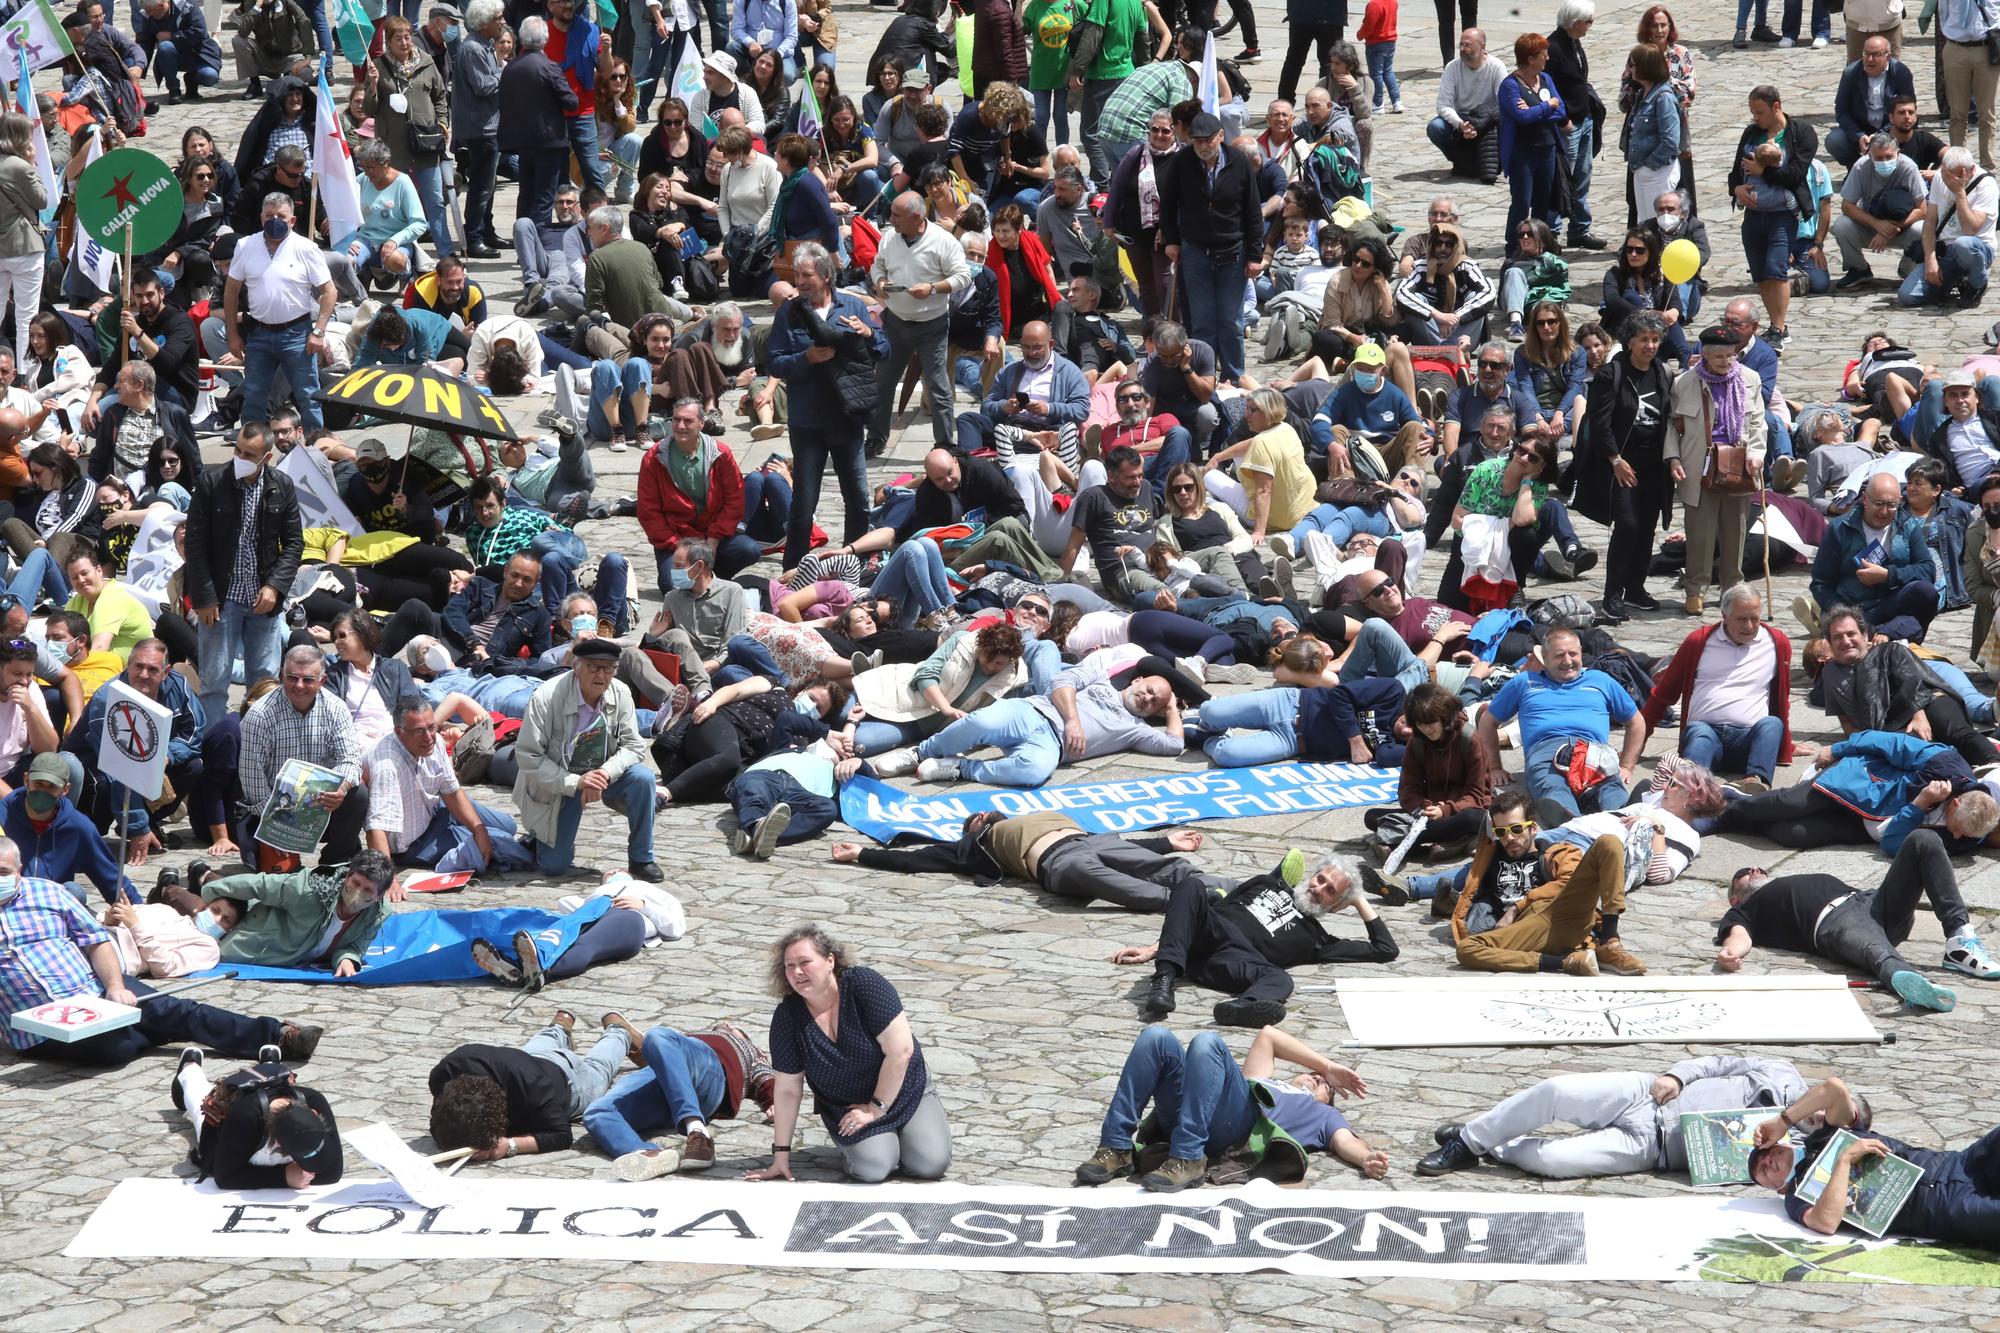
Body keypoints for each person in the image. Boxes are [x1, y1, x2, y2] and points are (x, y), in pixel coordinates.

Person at [0, 835, 322, 1067]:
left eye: (4, 872)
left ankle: (277, 1035)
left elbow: (95, 941)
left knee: (178, 1010)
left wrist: (114, 986)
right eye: (217, 910)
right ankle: (156, 1028)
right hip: (38, 1025)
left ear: (20, 869)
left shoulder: (47, 893)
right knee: (117, 1048)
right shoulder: (165, 912)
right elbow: (103, 928)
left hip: (94, 985)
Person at [746, 925, 951, 1184]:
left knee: (929, 1165)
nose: (797, 972)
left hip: (904, 1088)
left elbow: (901, 1051)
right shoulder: (788, 1018)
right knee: (874, 1168)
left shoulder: (864, 984)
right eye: (789, 966)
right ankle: (873, 1146)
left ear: (830, 961)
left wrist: (875, 1109)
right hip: (849, 1106)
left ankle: (903, 1136)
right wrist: (781, 1156)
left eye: (804, 962)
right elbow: (787, 1089)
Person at [1078, 1023, 1385, 1193]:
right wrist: (1326, 1066)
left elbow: (1346, 1142)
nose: (1319, 1080)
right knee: (1155, 1037)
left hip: (1239, 1130)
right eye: (1315, 1076)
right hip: (1191, 1114)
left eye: (1326, 1087)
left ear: (1326, 1101)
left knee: (1207, 1042)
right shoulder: (1262, 1078)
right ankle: (1116, 1147)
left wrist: (1368, 1158)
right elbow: (1268, 1034)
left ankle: (1187, 1158)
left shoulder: (1322, 1114)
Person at [1721, 829, 1999, 1015]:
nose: (1755, 869)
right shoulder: (1745, 910)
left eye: (1759, 868)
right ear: (1735, 897)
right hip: (1834, 922)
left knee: (1922, 839)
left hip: (1871, 902)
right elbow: (1739, 934)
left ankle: (1959, 939)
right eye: (1744, 873)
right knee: (1874, 951)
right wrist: (1730, 952)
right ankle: (1912, 983)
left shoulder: (1785, 883)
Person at [1116, 853, 1397, 1028]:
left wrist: (1359, 900)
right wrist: (1154, 949)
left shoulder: (1319, 940)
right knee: (1191, 886)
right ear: (1312, 875)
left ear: (1336, 905)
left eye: (1329, 890)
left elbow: (1385, 949)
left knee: (1282, 980)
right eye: (1319, 879)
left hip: (1233, 961)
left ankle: (1241, 1008)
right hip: (1210, 932)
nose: (1318, 888)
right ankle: (1164, 981)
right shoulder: (1266, 882)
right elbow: (1197, 912)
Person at [1417, 1055, 1811, 1180]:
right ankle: (1468, 1143)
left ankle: (1492, 1141)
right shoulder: (1782, 1072)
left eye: (1833, 1119)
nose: (1821, 1115)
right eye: (1823, 1105)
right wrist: (1677, 1075)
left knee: (1551, 1162)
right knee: (1557, 1090)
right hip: (1648, 1095)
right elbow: (1719, 1061)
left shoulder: (1800, 1150)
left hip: (1651, 1148)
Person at [872, 652, 1183, 786]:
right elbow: (1060, 684)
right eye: (1150, 690)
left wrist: (1171, 709)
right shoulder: (1099, 678)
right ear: (1137, 680)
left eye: (1155, 702)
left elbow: (1173, 745)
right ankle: (918, 752)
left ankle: (960, 768)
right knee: (981, 723)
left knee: (1034, 772)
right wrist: (1072, 720)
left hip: (1051, 745)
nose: (1148, 698)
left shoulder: (1135, 729)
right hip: (1032, 711)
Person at [1747, 1079, 2000, 1244]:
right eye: (1762, 1170)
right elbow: (1825, 1222)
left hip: (1959, 1164)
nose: (1767, 1161)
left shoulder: (1825, 1137)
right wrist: (1845, 1161)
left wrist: (1781, 1122)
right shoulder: (1796, 1196)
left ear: (1784, 1143)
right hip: (1942, 1208)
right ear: (1778, 1188)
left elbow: (1835, 1089)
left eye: (1766, 1153)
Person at [832, 809, 1210, 912]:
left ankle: (1227, 890)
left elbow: (1125, 846)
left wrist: (1164, 841)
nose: (985, 814)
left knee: (1170, 868)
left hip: (1089, 840)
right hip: (1056, 863)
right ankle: (1173, 902)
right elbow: (916, 860)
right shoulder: (977, 842)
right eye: (977, 816)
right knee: (1085, 871)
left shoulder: (1035, 815)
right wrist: (863, 853)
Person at [769, 242, 886, 571]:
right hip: (807, 422)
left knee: (858, 501)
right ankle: (792, 569)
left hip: (847, 417)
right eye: (796, 275)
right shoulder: (790, 313)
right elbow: (776, 364)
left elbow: (883, 349)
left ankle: (856, 563)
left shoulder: (852, 306)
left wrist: (868, 334)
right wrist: (805, 358)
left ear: (825, 276)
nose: (800, 281)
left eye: (805, 275)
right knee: (804, 504)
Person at [512, 637, 663, 881]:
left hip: (603, 773)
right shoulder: (546, 697)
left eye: (609, 668)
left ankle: (641, 859)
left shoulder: (621, 692)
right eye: (593, 666)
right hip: (560, 780)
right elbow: (529, 757)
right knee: (554, 867)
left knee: (644, 778)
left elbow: (634, 746)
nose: (601, 675)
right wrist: (577, 782)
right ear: (576, 666)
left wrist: (604, 773)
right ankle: (542, 839)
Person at [1711, 727, 2000, 852]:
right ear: (1955, 804)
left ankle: (1741, 808)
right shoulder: (1944, 764)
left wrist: (1918, 806)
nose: (1958, 836)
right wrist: (1837, 748)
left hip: (1864, 828)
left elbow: (1893, 845)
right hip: (1861, 784)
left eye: (1968, 836)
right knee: (1788, 804)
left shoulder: (1971, 833)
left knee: (1789, 834)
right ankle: (1721, 813)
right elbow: (1887, 742)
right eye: (1960, 829)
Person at [184, 425, 304, 725]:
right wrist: (205, 596)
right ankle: (213, 744)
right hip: (221, 600)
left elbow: (294, 544)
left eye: (249, 454)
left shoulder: (281, 486)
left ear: (266, 457)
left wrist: (275, 586)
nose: (240, 457)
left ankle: (259, 740)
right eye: (238, 450)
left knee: (263, 680)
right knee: (213, 680)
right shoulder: (212, 481)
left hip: (262, 600)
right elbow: (195, 544)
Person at [1478, 625, 1645, 819]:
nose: (1567, 661)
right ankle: (1570, 823)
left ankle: (1626, 816)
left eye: (1572, 654)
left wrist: (1627, 766)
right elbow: (1487, 721)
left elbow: (1636, 722)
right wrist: (1495, 767)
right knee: (1553, 789)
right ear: (1545, 658)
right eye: (1559, 656)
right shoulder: (1524, 682)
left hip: (1592, 751)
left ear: (1581, 653)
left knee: (1610, 788)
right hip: (1545, 753)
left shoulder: (1600, 680)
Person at [1571, 311, 1675, 618]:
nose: (1650, 345)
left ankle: (1636, 589)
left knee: (1647, 529)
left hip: (1653, 466)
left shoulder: (1663, 373)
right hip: (1620, 464)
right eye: (1644, 339)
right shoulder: (1611, 374)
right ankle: (1612, 593)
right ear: (1630, 342)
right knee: (1627, 526)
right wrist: (1615, 459)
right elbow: (1601, 424)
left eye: (1655, 339)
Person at [1642, 585, 1795, 790]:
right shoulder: (1699, 641)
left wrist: (1787, 744)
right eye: (1741, 619)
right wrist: (1638, 741)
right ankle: (1693, 786)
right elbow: (1663, 694)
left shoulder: (1777, 643)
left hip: (1748, 739)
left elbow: (1782, 700)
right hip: (1706, 735)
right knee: (1698, 731)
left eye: (1755, 618)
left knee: (1772, 725)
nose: (1749, 626)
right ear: (1724, 615)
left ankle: (1754, 783)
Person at [584, 1019, 777, 1178]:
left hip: (711, 1075)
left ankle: (697, 1130)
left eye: (732, 1027)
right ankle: (645, 1153)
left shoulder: (749, 1049)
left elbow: (765, 1076)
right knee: (597, 1111)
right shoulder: (689, 1038)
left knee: (657, 1035)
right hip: (660, 1079)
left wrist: (772, 1101)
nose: (726, 1024)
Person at [429, 1017, 638, 1161]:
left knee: (599, 1067)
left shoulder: (534, 1090)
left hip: (570, 1079)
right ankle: (560, 1025)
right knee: (534, 1050)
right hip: (526, 1060)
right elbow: (438, 1121)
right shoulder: (443, 1075)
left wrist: (509, 1145)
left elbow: (561, 1136)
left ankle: (619, 1032)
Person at [238, 646, 370, 864]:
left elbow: (350, 760)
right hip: (272, 809)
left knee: (358, 794)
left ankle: (335, 861)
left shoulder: (336, 708)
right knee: (278, 881)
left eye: (308, 679)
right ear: (282, 675)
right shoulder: (259, 715)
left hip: (322, 803)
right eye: (292, 678)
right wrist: (275, 829)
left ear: (323, 679)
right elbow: (252, 782)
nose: (299, 686)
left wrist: (340, 789)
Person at [1669, 327, 1768, 617]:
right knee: (1699, 532)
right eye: (1718, 357)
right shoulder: (1684, 383)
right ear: (1705, 355)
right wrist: (1673, 458)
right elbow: (1673, 426)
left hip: (1738, 462)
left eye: (1730, 355)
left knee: (1734, 530)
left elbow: (1758, 423)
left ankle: (1732, 589)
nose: (1726, 362)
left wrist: (1756, 454)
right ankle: (1695, 589)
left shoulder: (1750, 379)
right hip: (1699, 466)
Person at [1158, 111, 1261, 387]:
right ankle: (1206, 376)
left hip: (1232, 251)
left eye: (1207, 140)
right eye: (1197, 141)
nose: (1203, 146)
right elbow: (1167, 205)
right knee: (1202, 322)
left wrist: (1255, 255)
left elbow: (1252, 211)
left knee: (1231, 321)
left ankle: (1234, 376)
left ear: (1220, 137)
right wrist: (1171, 240)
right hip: (1195, 251)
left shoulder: (1239, 163)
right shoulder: (1181, 163)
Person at [366, 699, 525, 873]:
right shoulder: (387, 765)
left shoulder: (435, 742)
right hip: (417, 842)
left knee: (508, 826)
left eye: (432, 727)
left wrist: (479, 830)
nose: (428, 737)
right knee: (506, 846)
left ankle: (473, 833)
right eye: (419, 731)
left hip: (436, 811)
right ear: (399, 732)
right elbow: (376, 828)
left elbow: (452, 792)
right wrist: (386, 880)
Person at [866, 192, 970, 458]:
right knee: (882, 382)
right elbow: (877, 266)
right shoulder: (890, 236)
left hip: (931, 324)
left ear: (917, 216)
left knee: (938, 387)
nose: (890, 220)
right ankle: (876, 437)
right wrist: (879, 283)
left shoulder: (943, 241)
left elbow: (963, 277)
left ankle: (945, 444)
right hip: (895, 322)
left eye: (897, 215)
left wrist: (933, 288)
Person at [223, 194, 335, 432]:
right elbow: (231, 291)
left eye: (281, 216)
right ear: (261, 217)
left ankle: (317, 447)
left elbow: (329, 291)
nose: (275, 220)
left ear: (292, 220)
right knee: (253, 395)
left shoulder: (306, 248)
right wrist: (233, 334)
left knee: (308, 395)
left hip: (297, 334)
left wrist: (319, 331)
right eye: (269, 216)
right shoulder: (245, 246)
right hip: (259, 335)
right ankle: (251, 452)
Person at [198, 851, 395, 974]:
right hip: (257, 928)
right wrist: (208, 895)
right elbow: (259, 884)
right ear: (347, 877)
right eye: (355, 883)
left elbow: (355, 947)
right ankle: (178, 886)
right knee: (200, 924)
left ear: (379, 896)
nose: (358, 892)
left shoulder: (379, 913)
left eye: (368, 890)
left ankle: (201, 875)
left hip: (289, 945)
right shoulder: (307, 890)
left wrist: (347, 959)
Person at [1728, 87, 1816, 349]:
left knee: (1776, 269)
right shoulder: (1751, 133)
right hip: (1755, 215)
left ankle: (1778, 327)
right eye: (1753, 112)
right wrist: (1737, 189)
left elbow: (1794, 175)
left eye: (1760, 112)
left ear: (1776, 106)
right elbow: (1736, 171)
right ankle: (1776, 322)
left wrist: (1762, 171)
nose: (1755, 118)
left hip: (1782, 215)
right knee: (1761, 273)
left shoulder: (1801, 133)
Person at [1810, 475, 1938, 641]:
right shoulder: (1840, 529)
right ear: (1864, 498)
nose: (1884, 512)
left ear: (1899, 501)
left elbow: (1927, 570)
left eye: (1891, 505)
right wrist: (1842, 614)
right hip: (1853, 608)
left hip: (1891, 603)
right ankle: (1879, 633)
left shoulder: (1908, 526)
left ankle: (1881, 633)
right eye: (1878, 503)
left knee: (1926, 592)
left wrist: (1887, 575)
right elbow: (1821, 583)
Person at [953, 320, 1090, 468]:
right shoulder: (1009, 371)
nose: (1031, 353)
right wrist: (1004, 407)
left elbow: (1082, 410)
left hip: (1048, 434)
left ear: (1050, 344)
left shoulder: (1070, 372)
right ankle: (971, 469)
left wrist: (1049, 409)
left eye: (1037, 348)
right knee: (968, 419)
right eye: (1026, 347)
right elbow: (986, 406)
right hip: (1012, 429)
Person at [498, 18, 579, 229]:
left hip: (522, 141)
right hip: (548, 141)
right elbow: (571, 101)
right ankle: (537, 245)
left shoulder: (511, 67)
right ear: (545, 40)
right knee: (544, 196)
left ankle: (523, 241)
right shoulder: (548, 66)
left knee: (526, 193)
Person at [88, 270, 199, 416]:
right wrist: (92, 401)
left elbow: (167, 363)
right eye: (139, 296)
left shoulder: (180, 322)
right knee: (95, 419)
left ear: (161, 293)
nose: (145, 301)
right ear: (133, 296)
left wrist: (138, 333)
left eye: (149, 294)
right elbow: (111, 367)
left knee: (120, 401)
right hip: (137, 388)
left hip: (175, 394)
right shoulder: (135, 323)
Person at [1901, 146, 1998, 307]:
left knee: (1964, 243)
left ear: (1971, 170)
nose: (1949, 181)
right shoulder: (1941, 176)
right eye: (1947, 175)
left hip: (1977, 247)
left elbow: (1970, 229)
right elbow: (1930, 222)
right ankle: (1953, 282)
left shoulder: (1986, 185)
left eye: (1956, 176)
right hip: (1946, 250)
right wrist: (1930, 259)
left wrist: (1960, 192)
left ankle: (1977, 284)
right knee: (1908, 296)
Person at [1832, 133, 1928, 290]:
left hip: (1903, 227)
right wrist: (1876, 224)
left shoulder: (1909, 167)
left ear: (1898, 153)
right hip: (1870, 226)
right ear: (1870, 156)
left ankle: (1908, 269)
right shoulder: (1861, 167)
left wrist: (1888, 230)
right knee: (1841, 225)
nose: (1885, 162)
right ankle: (1859, 269)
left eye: (1889, 156)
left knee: (1923, 228)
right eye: (1879, 158)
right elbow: (1847, 206)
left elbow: (1923, 210)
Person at [1498, 34, 1567, 247]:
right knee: (1521, 203)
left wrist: (1536, 110)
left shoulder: (1545, 80)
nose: (1547, 58)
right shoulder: (1510, 86)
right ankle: (1514, 248)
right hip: (1523, 154)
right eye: (1543, 55)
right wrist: (1547, 106)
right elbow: (1522, 117)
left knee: (1543, 203)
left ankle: (1540, 246)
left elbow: (1561, 111)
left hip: (1547, 151)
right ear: (1530, 58)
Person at [1427, 28, 1505, 183]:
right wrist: (1461, 124)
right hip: (1461, 117)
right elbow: (1443, 104)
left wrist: (1481, 122)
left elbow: (1503, 102)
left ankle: (1496, 162)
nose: (1463, 49)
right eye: (1461, 45)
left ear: (1482, 47)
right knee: (1435, 127)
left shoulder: (1496, 67)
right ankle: (1461, 162)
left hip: (1487, 118)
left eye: (1468, 45)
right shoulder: (1452, 67)